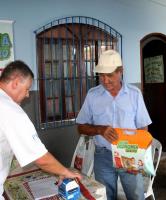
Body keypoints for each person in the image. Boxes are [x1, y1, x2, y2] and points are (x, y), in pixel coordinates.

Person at [76, 50, 152, 200]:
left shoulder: (134, 94)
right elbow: (80, 127)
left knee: (136, 195)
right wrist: (99, 129)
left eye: (109, 75)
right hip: (102, 156)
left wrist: (139, 158)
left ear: (120, 71)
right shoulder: (93, 95)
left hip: (130, 154)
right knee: (106, 196)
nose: (105, 80)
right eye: (101, 75)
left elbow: (143, 129)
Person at [0, 60, 81, 200]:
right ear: (16, 82)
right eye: (27, 89)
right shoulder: (10, 109)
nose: (27, 95)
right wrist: (65, 172)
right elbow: (41, 158)